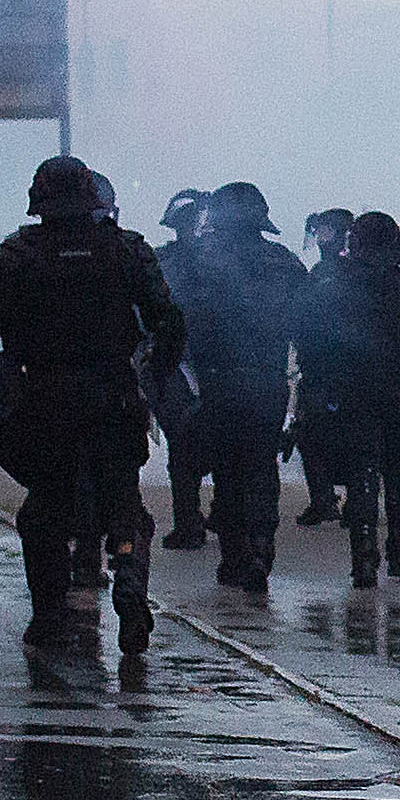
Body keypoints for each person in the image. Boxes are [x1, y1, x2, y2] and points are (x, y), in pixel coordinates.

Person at [0, 157, 186, 654]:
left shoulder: (17, 255)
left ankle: (48, 616)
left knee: (45, 510)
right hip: (112, 396)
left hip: (43, 400)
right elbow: (168, 319)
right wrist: (157, 371)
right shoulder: (128, 249)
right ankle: (130, 585)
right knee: (124, 504)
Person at [294, 208, 400, 588]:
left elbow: (310, 346)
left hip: (351, 399)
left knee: (362, 475)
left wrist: (315, 398)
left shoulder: (331, 287)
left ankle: (364, 555)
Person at [159, 180, 306, 589]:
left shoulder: (200, 265)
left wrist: (166, 368)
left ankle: (236, 556)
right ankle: (259, 549)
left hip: (216, 382)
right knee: (260, 466)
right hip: (267, 383)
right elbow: (310, 325)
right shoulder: (285, 263)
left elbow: (174, 320)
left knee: (227, 469)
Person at [158, 191, 223, 549]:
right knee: (183, 441)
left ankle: (209, 514)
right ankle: (190, 519)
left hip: (215, 359)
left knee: (214, 442)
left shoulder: (222, 259)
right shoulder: (162, 259)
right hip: (179, 359)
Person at [294, 209, 358, 529]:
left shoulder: (336, 274)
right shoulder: (324, 272)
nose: (319, 240)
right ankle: (330, 501)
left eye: (325, 233)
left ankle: (333, 501)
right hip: (329, 370)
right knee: (313, 434)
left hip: (335, 371)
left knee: (318, 434)